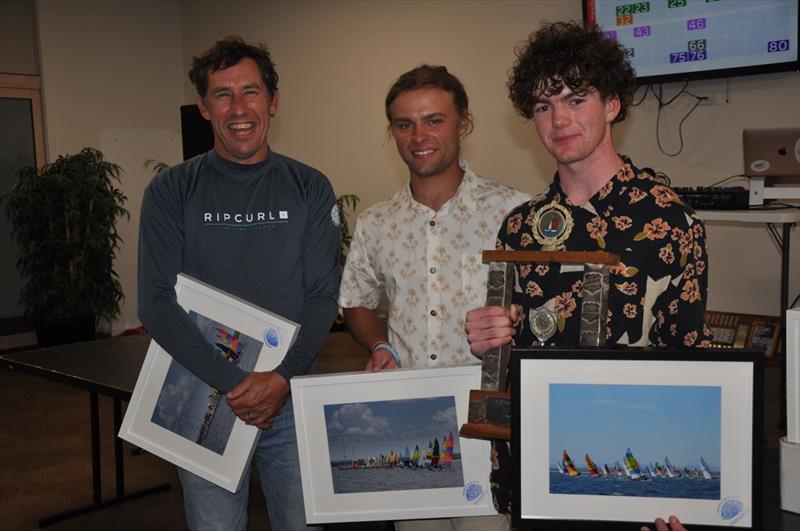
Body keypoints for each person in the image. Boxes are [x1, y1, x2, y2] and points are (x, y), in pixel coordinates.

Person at [464, 21, 712, 530]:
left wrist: (685, 495)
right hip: (535, 468)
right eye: (542, 105)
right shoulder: (519, 227)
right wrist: (488, 337)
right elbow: (506, 351)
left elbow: (691, 359)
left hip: (633, 470)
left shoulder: (670, 222)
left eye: (576, 98)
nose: (559, 118)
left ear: (612, 104)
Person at [138, 36, 338, 531]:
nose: (238, 108)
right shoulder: (170, 190)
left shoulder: (310, 186)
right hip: (206, 393)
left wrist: (280, 380)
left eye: (250, 92)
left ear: (273, 101)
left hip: (290, 398)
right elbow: (156, 304)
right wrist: (237, 385)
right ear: (203, 107)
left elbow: (321, 297)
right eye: (222, 94)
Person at [338, 65, 530, 530]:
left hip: (490, 426)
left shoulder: (515, 212)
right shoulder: (376, 223)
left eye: (433, 120)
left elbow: (547, 309)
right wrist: (379, 346)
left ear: (463, 123)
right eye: (404, 124)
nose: (418, 135)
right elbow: (355, 302)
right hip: (411, 419)